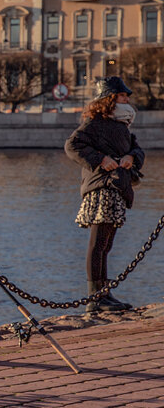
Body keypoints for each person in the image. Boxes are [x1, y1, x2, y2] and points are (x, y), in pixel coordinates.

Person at [64, 77, 145, 313]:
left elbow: (136, 149)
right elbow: (72, 145)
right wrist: (101, 159)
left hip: (117, 187)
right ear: (110, 99)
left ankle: (103, 294)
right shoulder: (96, 123)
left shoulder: (122, 126)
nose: (127, 100)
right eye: (122, 96)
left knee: (106, 244)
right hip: (102, 188)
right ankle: (94, 298)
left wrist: (132, 157)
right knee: (98, 243)